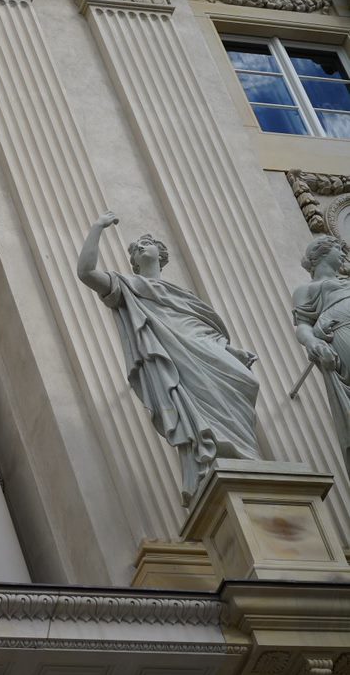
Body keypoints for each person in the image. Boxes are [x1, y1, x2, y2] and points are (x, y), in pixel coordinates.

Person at [77, 211, 261, 504]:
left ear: (160, 255)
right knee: (205, 410)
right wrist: (98, 227)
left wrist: (232, 351)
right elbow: (86, 273)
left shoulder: (183, 294)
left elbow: (204, 330)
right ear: (135, 263)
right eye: (136, 248)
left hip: (208, 353)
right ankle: (216, 456)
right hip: (180, 362)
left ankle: (247, 457)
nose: (140, 246)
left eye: (146, 242)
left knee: (244, 382)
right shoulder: (127, 287)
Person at [292, 235, 350, 470]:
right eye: (339, 249)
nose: (344, 254)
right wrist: (313, 343)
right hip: (342, 336)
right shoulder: (306, 290)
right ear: (323, 253)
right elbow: (303, 326)